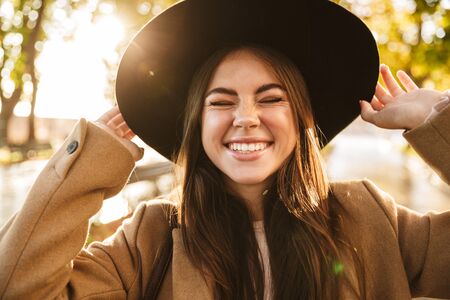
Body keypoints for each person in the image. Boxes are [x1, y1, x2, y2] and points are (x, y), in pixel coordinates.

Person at [0, 0, 449, 299]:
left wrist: (439, 118)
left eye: (271, 98)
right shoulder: (149, 240)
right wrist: (87, 161)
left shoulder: (369, 217)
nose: (246, 117)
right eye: (221, 102)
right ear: (196, 126)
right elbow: (19, 287)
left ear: (303, 118)